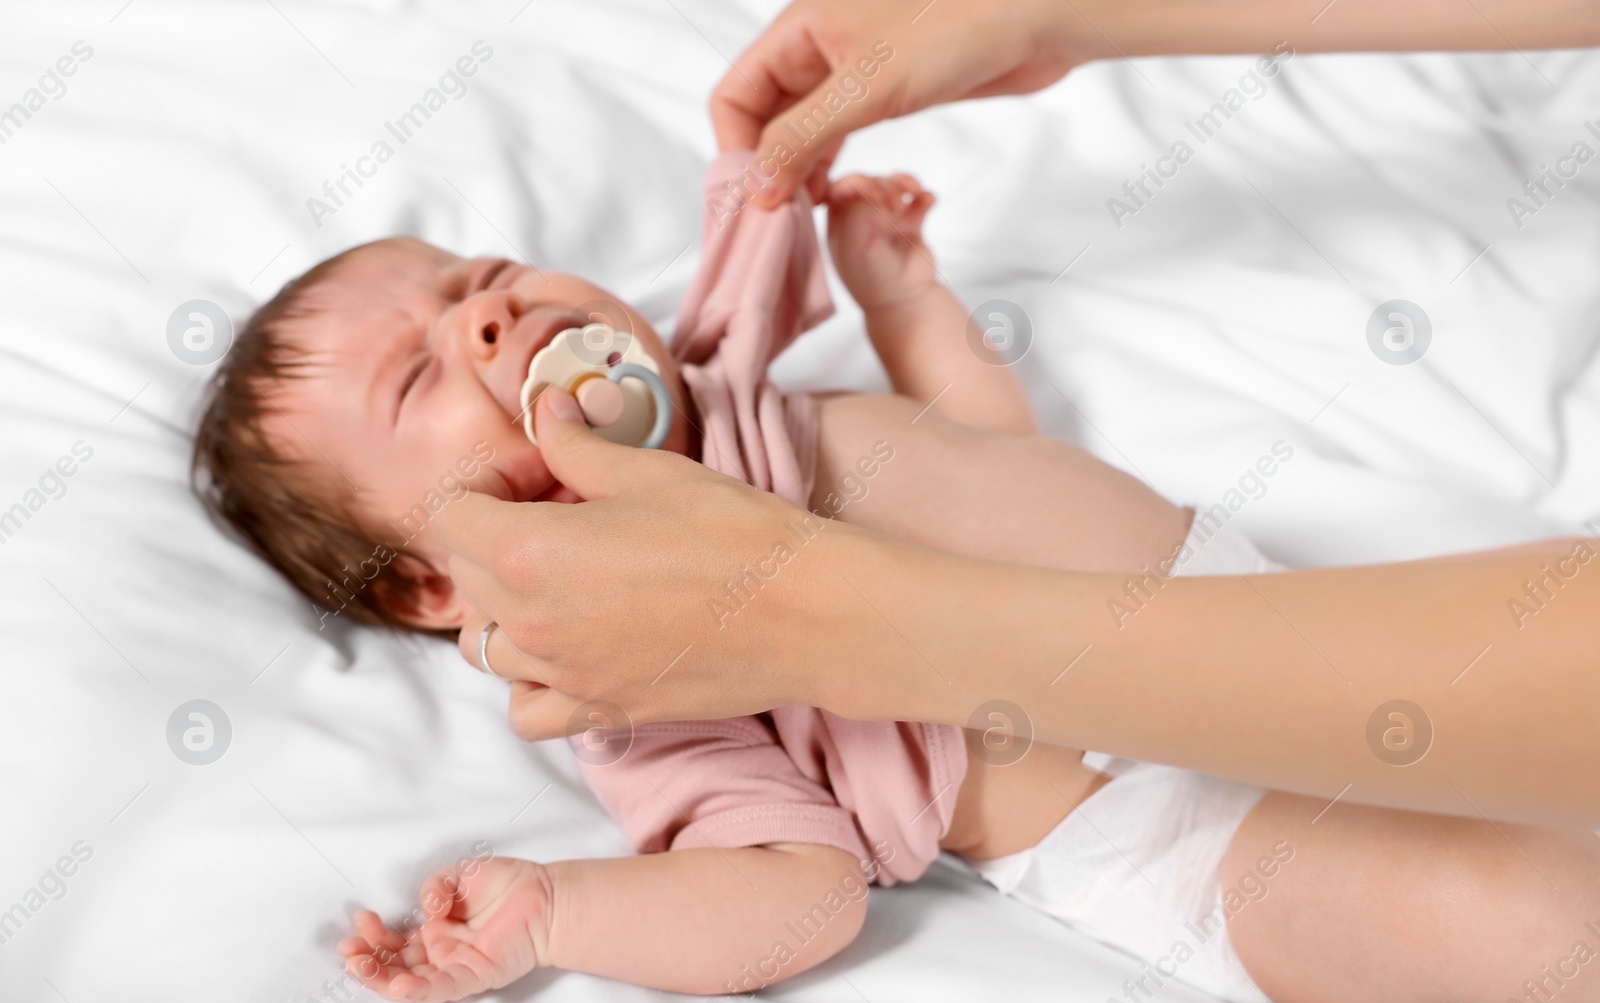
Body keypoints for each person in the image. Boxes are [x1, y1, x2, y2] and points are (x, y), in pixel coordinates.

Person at [436, 0, 1600, 826]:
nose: (485, 315)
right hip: (1159, 824)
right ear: (432, 581)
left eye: (480, 276)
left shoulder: (756, 399)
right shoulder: (623, 668)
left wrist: (905, 305)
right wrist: (550, 916)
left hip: (1252, 629)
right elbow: (779, 876)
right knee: (1521, 917)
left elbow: (999, 458)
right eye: (418, 378)